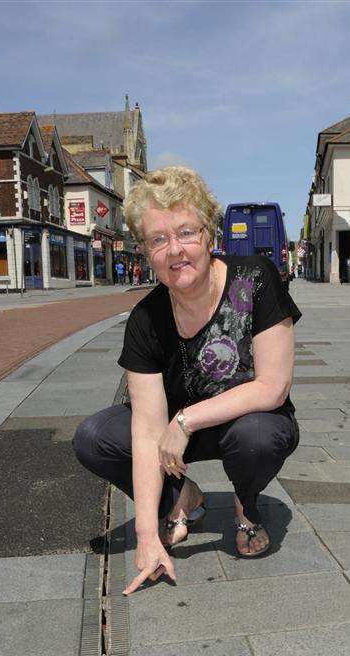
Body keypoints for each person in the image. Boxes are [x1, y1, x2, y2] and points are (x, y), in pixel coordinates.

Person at [73, 167, 301, 595]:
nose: (175, 250)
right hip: (178, 434)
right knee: (94, 437)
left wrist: (183, 422)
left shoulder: (254, 279)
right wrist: (145, 538)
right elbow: (144, 432)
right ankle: (181, 496)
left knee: (258, 437)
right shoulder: (145, 319)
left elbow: (273, 387)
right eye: (159, 239)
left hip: (245, 420)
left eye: (186, 232)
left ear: (209, 235)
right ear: (144, 250)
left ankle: (245, 506)